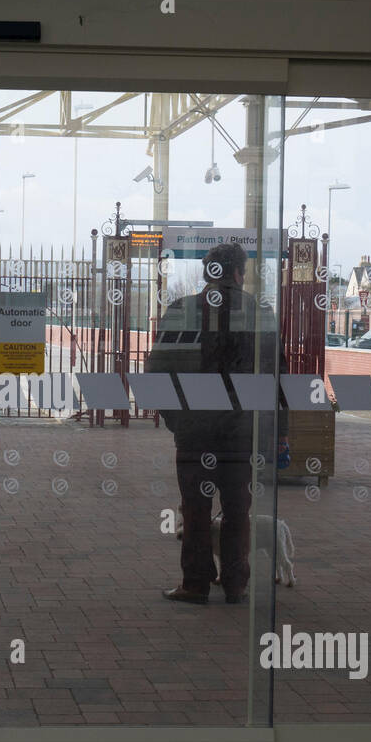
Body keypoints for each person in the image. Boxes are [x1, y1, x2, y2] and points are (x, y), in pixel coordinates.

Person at [144, 242, 289, 604]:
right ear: (239, 273)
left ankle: (195, 583)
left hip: (196, 432)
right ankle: (236, 582)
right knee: (238, 508)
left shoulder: (181, 310)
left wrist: (178, 420)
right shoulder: (259, 313)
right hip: (242, 432)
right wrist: (277, 431)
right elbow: (278, 377)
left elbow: (157, 370)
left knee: (195, 508)